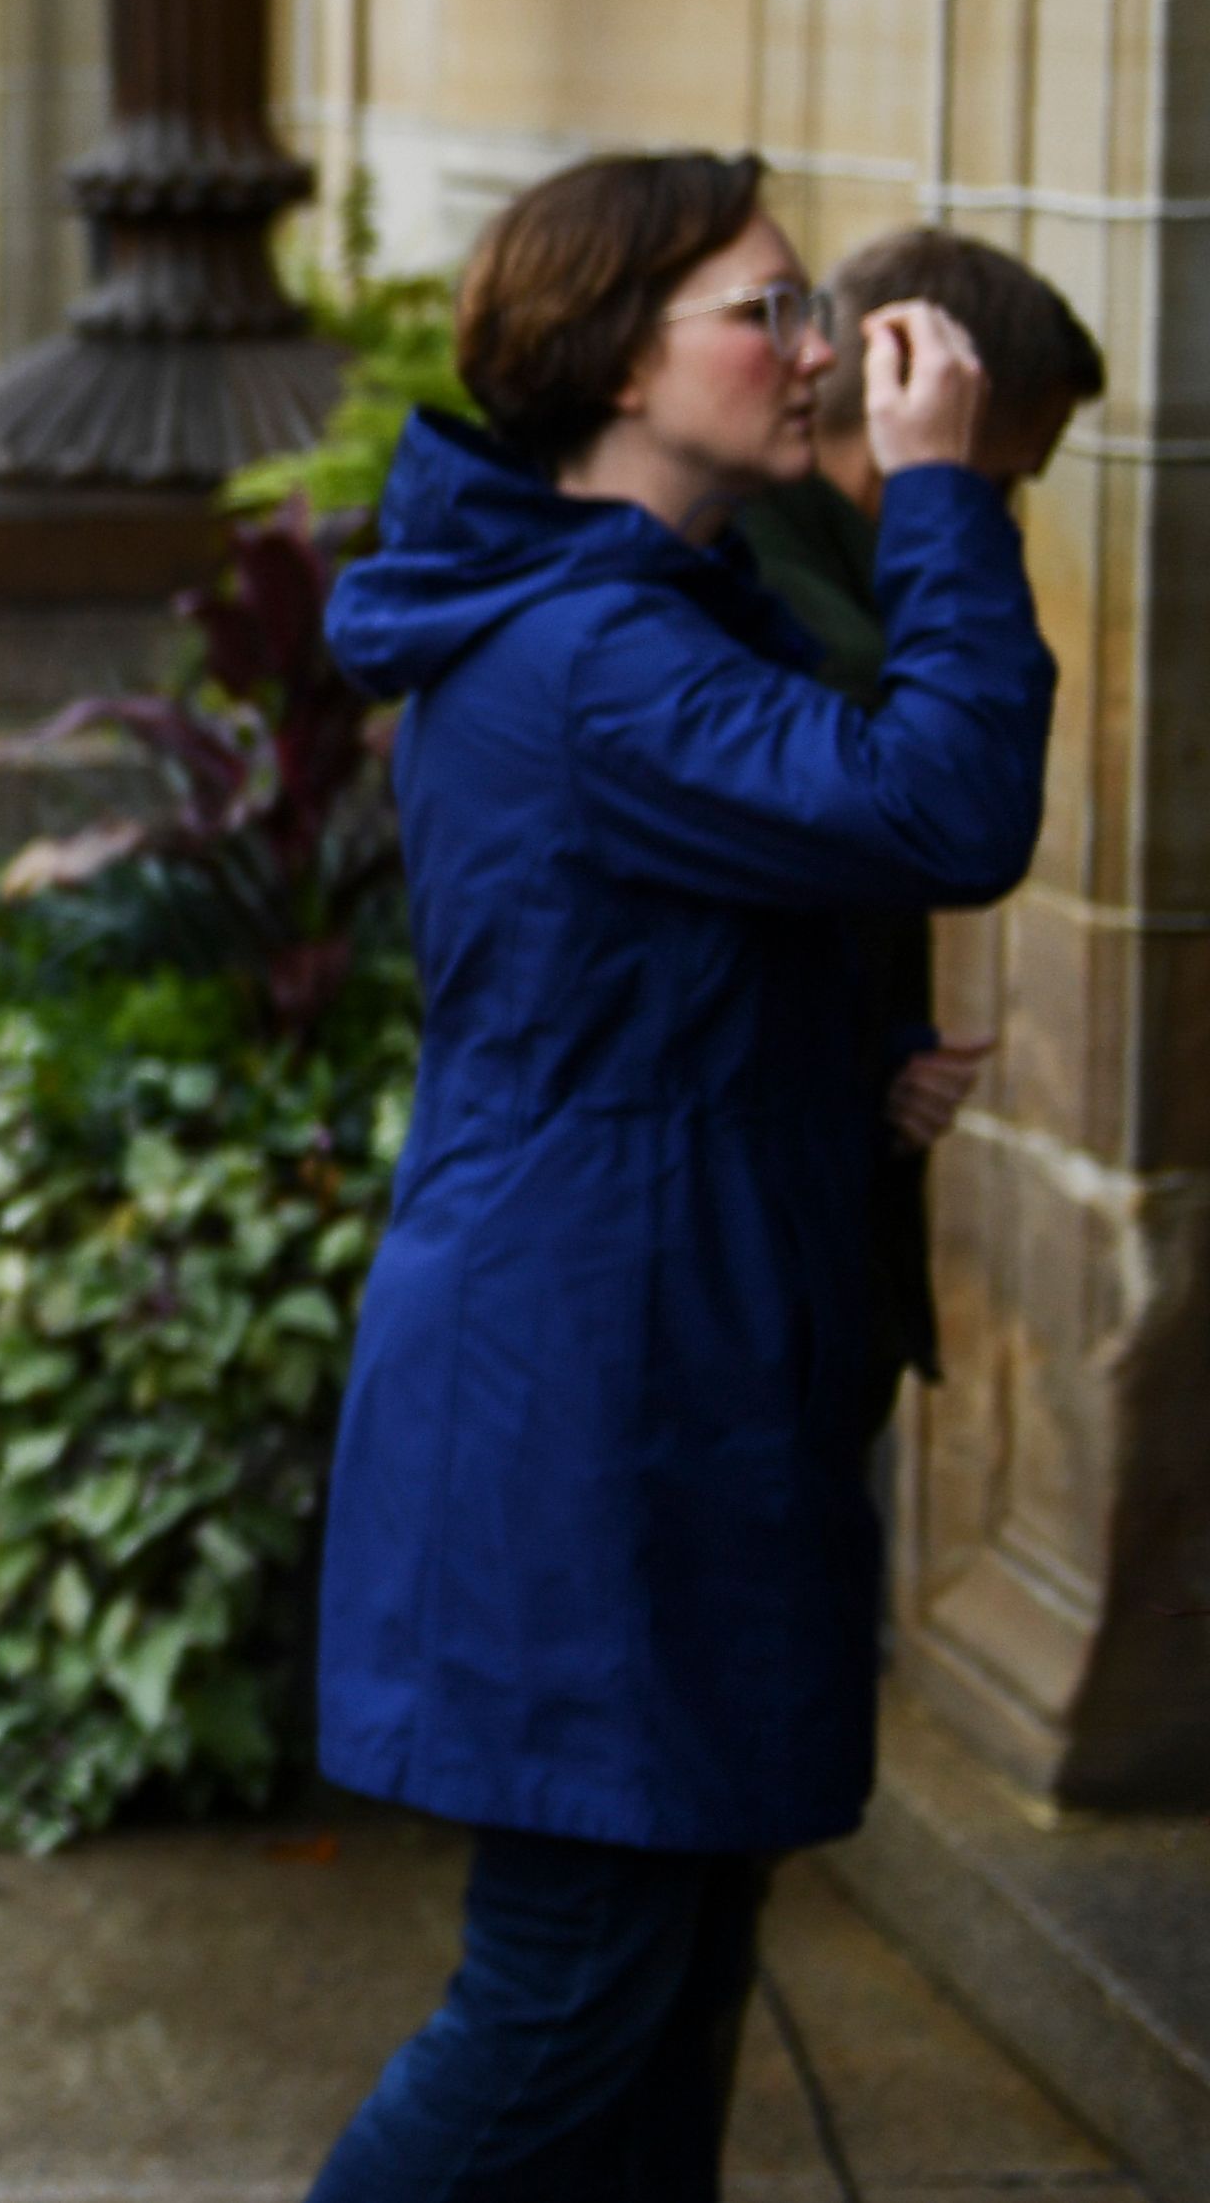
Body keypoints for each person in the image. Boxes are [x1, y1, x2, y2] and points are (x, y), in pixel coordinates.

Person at [308, 153, 1056, 2197]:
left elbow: (605, 965)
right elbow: (946, 802)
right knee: (566, 2007)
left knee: (663, 2001)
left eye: (814, 309)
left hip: (648, 1350)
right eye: (769, 311)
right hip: (592, 1396)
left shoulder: (623, 618)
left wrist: (837, 1069)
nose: (818, 351)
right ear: (614, 359)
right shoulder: (597, 657)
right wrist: (951, 495)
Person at [733, 225, 1105, 1437]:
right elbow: (959, 820)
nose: (1000, 516)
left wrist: (876, 1061)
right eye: (1002, 480)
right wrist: (948, 495)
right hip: (753, 1284)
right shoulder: (796, 606)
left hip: (797, 1216)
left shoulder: (822, 579)